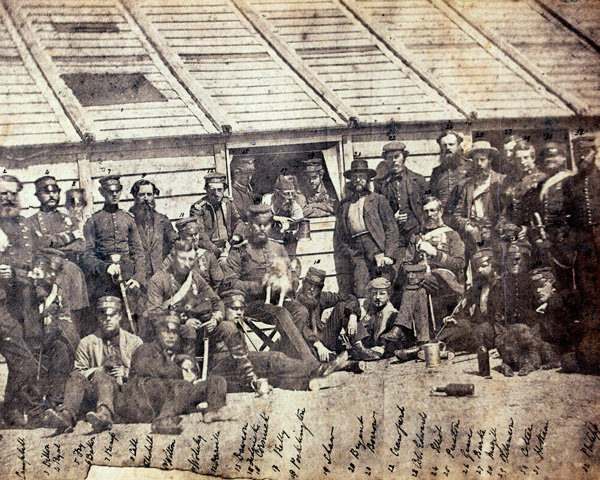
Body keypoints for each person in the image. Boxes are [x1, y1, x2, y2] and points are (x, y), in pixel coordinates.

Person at [148, 239, 264, 394]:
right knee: (188, 330)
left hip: (201, 330)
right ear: (173, 256)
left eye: (190, 259)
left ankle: (248, 376)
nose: (187, 264)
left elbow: (216, 300)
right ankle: (191, 382)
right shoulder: (158, 280)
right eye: (183, 259)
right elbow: (155, 315)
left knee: (228, 327)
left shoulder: (195, 277)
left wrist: (216, 317)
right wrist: (183, 321)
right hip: (173, 334)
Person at [223, 204, 317, 363]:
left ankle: (292, 360)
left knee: (300, 311)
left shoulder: (278, 247)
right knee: (280, 313)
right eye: (257, 224)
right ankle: (310, 362)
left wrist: (290, 283)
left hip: (278, 300)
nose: (261, 228)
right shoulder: (239, 250)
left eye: (266, 224)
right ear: (250, 225)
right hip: (253, 304)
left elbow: (291, 271)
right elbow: (229, 282)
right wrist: (257, 286)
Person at [209, 290, 351, 392]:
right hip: (224, 365)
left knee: (276, 378)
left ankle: (311, 382)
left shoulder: (235, 323)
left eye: (241, 309)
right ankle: (316, 369)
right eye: (234, 309)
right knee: (275, 358)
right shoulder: (223, 325)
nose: (239, 312)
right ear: (224, 309)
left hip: (239, 366)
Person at [42, 296, 143, 433]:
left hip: (123, 395)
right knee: (76, 376)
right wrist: (99, 371)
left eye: (112, 314)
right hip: (96, 395)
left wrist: (126, 372)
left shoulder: (135, 342)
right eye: (103, 314)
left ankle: (105, 415)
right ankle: (66, 416)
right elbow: (79, 371)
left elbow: (145, 373)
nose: (107, 319)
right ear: (98, 317)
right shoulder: (87, 342)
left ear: (119, 316)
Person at [382, 197, 465, 344]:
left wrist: (435, 253)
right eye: (426, 211)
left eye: (433, 210)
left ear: (440, 212)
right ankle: (423, 343)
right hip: (421, 280)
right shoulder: (416, 237)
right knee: (418, 289)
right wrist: (416, 268)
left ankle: (399, 327)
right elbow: (405, 263)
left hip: (445, 281)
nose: (429, 214)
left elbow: (459, 264)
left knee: (415, 283)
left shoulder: (452, 235)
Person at [26, 176, 89, 325]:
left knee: (75, 317)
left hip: (71, 272)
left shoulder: (69, 220)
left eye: (55, 191)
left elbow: (81, 245)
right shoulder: (31, 222)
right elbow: (38, 246)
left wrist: (53, 244)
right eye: (46, 192)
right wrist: (68, 238)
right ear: (37, 196)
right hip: (46, 273)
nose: (52, 195)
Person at [334, 159, 399, 297]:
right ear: (351, 179)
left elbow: (391, 228)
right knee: (361, 288)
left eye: (362, 176)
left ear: (368, 178)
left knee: (382, 287)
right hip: (356, 251)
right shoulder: (344, 205)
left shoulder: (378, 200)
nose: (358, 180)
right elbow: (340, 235)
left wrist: (388, 255)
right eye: (355, 177)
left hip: (376, 247)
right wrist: (350, 252)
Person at [27, 249, 81, 414]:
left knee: (63, 349)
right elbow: (37, 313)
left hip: (55, 337)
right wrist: (53, 293)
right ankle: (42, 405)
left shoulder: (58, 288)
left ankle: (56, 401)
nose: (52, 275)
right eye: (49, 270)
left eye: (55, 272)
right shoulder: (35, 288)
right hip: (37, 337)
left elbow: (66, 316)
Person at [82, 176, 146, 308]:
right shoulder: (93, 221)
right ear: (102, 192)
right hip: (104, 280)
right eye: (110, 191)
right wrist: (105, 268)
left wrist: (138, 278)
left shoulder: (128, 219)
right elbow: (88, 255)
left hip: (129, 279)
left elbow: (138, 252)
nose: (115, 194)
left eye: (117, 191)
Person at [436, 248, 501, 353]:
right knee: (456, 329)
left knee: (472, 333)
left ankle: (439, 349)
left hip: (493, 330)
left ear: (493, 266)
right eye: (478, 267)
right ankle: (428, 347)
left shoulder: (501, 286)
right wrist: (456, 320)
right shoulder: (479, 286)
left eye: (483, 266)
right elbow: (469, 315)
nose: (479, 270)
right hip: (478, 327)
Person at [449, 141, 505, 255]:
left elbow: (506, 212)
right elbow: (457, 215)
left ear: (490, 160)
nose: (479, 164)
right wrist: (469, 228)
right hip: (473, 237)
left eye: (483, 159)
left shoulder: (501, 181)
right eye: (476, 160)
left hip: (496, 235)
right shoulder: (466, 185)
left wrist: (494, 230)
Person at [533, 141, 574, 289]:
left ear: (564, 158)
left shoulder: (570, 180)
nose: (549, 159)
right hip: (548, 240)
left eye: (554, 156)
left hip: (565, 240)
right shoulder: (543, 183)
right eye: (546, 157)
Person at [295, 267, 361, 360]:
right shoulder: (295, 301)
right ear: (304, 283)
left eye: (316, 286)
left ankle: (358, 346)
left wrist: (353, 316)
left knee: (342, 306)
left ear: (320, 288)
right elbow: (302, 328)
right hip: (305, 344)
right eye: (309, 284)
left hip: (323, 339)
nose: (312, 289)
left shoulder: (321, 297)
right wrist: (319, 346)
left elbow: (349, 297)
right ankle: (333, 358)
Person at [565, 134, 600, 300]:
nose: (581, 157)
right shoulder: (570, 183)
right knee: (587, 287)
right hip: (583, 243)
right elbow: (566, 216)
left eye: (585, 152)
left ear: (595, 152)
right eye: (577, 153)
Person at [378, 142, 427, 255]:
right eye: (390, 158)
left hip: (416, 231)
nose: (394, 161)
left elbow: (428, 205)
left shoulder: (418, 180)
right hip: (394, 236)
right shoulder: (380, 185)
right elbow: (377, 212)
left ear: (404, 157)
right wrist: (392, 218)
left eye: (397, 156)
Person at [128, 179, 178, 283]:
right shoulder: (127, 221)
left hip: (161, 275)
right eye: (142, 194)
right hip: (137, 278)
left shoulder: (162, 220)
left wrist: (167, 264)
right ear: (135, 196)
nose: (146, 198)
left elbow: (175, 244)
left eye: (149, 194)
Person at [190, 172, 244, 262]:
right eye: (212, 190)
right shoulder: (198, 208)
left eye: (220, 189)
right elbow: (200, 235)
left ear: (224, 189)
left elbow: (238, 221)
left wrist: (236, 236)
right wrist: (217, 251)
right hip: (208, 250)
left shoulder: (228, 203)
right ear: (206, 189)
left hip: (228, 246)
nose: (216, 194)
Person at [164, 217, 223, 291]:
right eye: (190, 235)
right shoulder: (171, 259)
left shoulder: (208, 256)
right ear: (181, 236)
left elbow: (219, 284)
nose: (195, 238)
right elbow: (164, 286)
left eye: (196, 234)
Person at [352, 278, 401, 361]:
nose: (377, 297)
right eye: (375, 294)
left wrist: (383, 348)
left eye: (382, 294)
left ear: (389, 295)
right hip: (365, 349)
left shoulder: (393, 314)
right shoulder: (364, 306)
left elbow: (396, 339)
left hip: (380, 351)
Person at [429, 132, 472, 209]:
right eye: (444, 145)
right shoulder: (436, 172)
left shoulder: (470, 167)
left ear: (458, 146)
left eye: (451, 144)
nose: (448, 148)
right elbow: (433, 195)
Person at [230, 156, 261, 222]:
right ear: (236, 173)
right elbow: (243, 214)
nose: (250, 177)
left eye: (251, 173)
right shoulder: (233, 192)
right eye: (246, 174)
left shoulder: (249, 190)